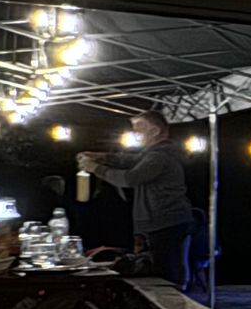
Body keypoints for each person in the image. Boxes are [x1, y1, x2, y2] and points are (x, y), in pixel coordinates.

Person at [80, 109, 194, 288]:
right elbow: (130, 160)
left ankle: (175, 301)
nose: (135, 132)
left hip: (166, 221)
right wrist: (102, 157)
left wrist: (95, 168)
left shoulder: (160, 156)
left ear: (155, 131)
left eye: (140, 127)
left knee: (168, 271)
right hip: (160, 221)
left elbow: (129, 179)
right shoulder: (153, 154)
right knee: (160, 268)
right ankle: (168, 299)